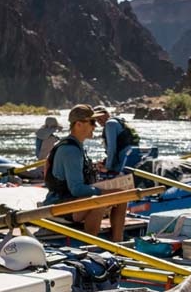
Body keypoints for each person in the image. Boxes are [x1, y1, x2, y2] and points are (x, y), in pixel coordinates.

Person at [43, 104, 127, 242]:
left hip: (73, 202)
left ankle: (118, 243)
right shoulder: (70, 150)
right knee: (98, 201)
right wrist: (104, 192)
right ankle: (91, 245)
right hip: (60, 204)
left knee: (122, 197)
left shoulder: (78, 147)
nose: (95, 126)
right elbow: (76, 189)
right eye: (92, 122)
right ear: (78, 124)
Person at [96, 105, 142, 174]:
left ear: (107, 114)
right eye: (96, 118)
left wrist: (107, 168)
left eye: (100, 116)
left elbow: (112, 149)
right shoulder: (120, 121)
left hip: (122, 165)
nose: (98, 120)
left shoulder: (110, 124)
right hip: (133, 160)